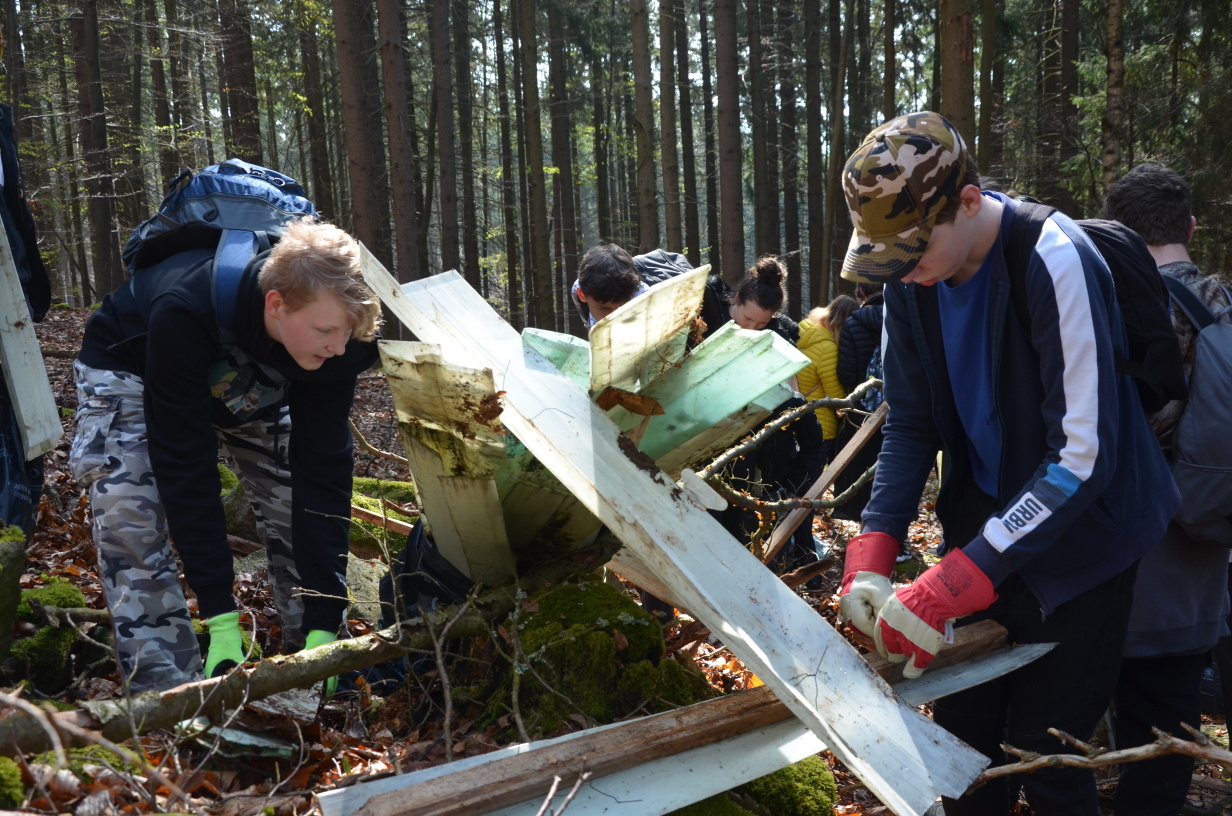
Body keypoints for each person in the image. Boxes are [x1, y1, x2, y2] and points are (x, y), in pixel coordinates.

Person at [834, 111, 1178, 815]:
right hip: (988, 517)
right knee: (963, 754)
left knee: (1047, 757)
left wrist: (964, 576)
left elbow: (1082, 456)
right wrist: (874, 546)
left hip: (1089, 543)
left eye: (913, 251)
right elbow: (911, 421)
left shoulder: (1054, 257)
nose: (905, 272)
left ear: (966, 201)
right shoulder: (907, 276)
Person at [71, 218, 382, 694]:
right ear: (276, 304)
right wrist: (220, 616)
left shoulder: (337, 346)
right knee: (128, 514)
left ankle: (314, 665)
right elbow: (187, 466)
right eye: (326, 330)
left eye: (344, 334)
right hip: (134, 370)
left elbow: (324, 472)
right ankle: (167, 691)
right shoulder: (184, 307)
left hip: (252, 378)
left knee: (291, 498)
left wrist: (326, 615)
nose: (338, 347)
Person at [1104, 164, 1232, 816]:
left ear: (1116, 229)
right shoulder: (1222, 305)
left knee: (1092, 743)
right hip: (1199, 564)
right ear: (1189, 225)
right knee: (1166, 754)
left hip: (1100, 562)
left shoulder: (1095, 301)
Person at [831, 282, 885, 522]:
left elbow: (847, 371)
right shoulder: (904, 317)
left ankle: (862, 521)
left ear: (861, 292)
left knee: (861, 467)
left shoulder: (853, 323)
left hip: (862, 409)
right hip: (899, 407)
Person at [569, 243, 693, 326]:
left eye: (624, 308)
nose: (614, 318)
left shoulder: (646, 299)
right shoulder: (579, 290)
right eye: (604, 308)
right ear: (582, 294)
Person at [796, 294, 856, 463]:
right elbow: (835, 396)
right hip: (820, 424)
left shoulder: (802, 332)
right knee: (815, 481)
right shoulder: (827, 348)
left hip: (794, 417)